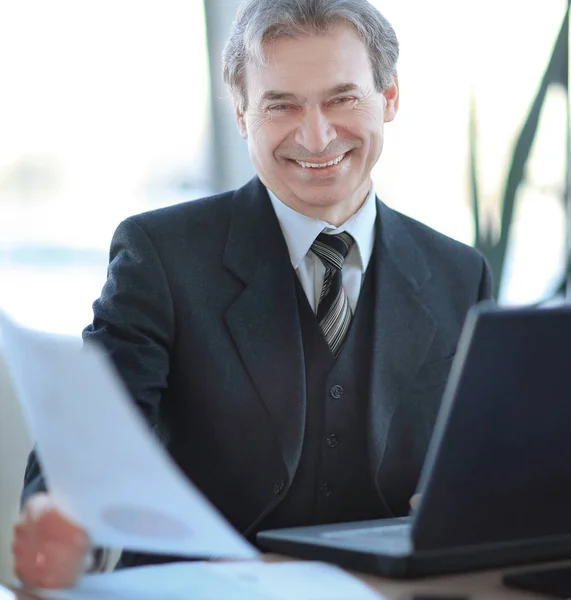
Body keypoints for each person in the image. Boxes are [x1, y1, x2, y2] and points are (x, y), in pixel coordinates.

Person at [12, 0, 492, 589]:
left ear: (389, 98)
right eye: (281, 104)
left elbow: (479, 469)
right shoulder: (160, 255)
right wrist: (60, 522)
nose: (316, 136)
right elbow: (86, 442)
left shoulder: (459, 274)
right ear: (241, 114)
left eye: (342, 98)